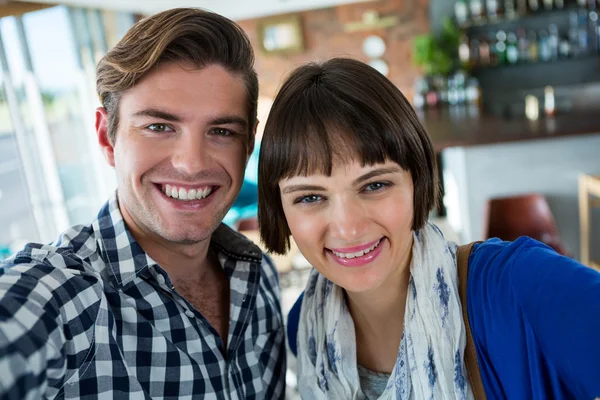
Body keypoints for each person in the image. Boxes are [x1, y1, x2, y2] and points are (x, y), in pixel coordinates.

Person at [257, 57, 600, 399]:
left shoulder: (518, 286)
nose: (348, 228)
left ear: (416, 181)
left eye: (374, 185)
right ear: (279, 208)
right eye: (310, 196)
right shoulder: (304, 323)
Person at [0, 8, 286, 399]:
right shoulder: (65, 296)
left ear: (248, 144)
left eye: (221, 131)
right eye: (158, 127)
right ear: (106, 138)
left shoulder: (257, 276)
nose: (192, 163)